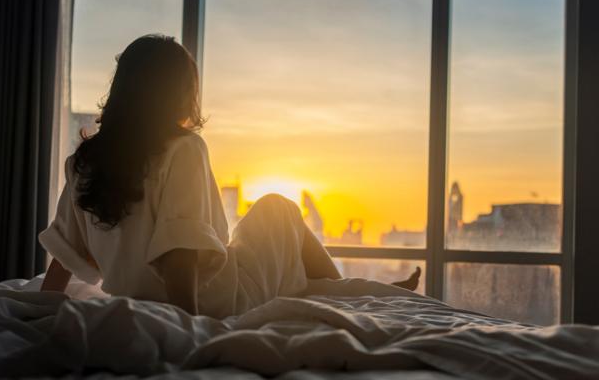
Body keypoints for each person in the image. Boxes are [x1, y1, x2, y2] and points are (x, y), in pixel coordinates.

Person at [40, 34, 421, 318]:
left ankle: (363, 294)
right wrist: (187, 324)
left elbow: (63, 254)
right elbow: (179, 251)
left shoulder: (82, 163)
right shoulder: (183, 148)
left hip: (142, 301)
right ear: (179, 93)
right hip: (212, 299)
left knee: (273, 237)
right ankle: (361, 297)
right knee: (278, 208)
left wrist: (41, 309)